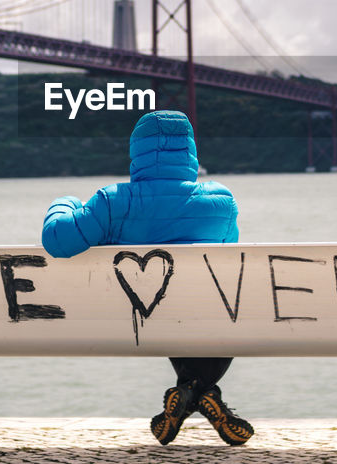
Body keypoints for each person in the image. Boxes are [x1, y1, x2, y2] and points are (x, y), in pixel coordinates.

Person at [41, 110, 254, 446]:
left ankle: (191, 392)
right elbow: (226, 259)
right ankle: (197, 390)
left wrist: (64, 202)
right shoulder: (221, 201)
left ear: (136, 152)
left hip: (141, 318)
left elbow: (57, 240)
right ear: (190, 152)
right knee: (212, 310)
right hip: (205, 318)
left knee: (162, 305)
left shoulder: (112, 202)